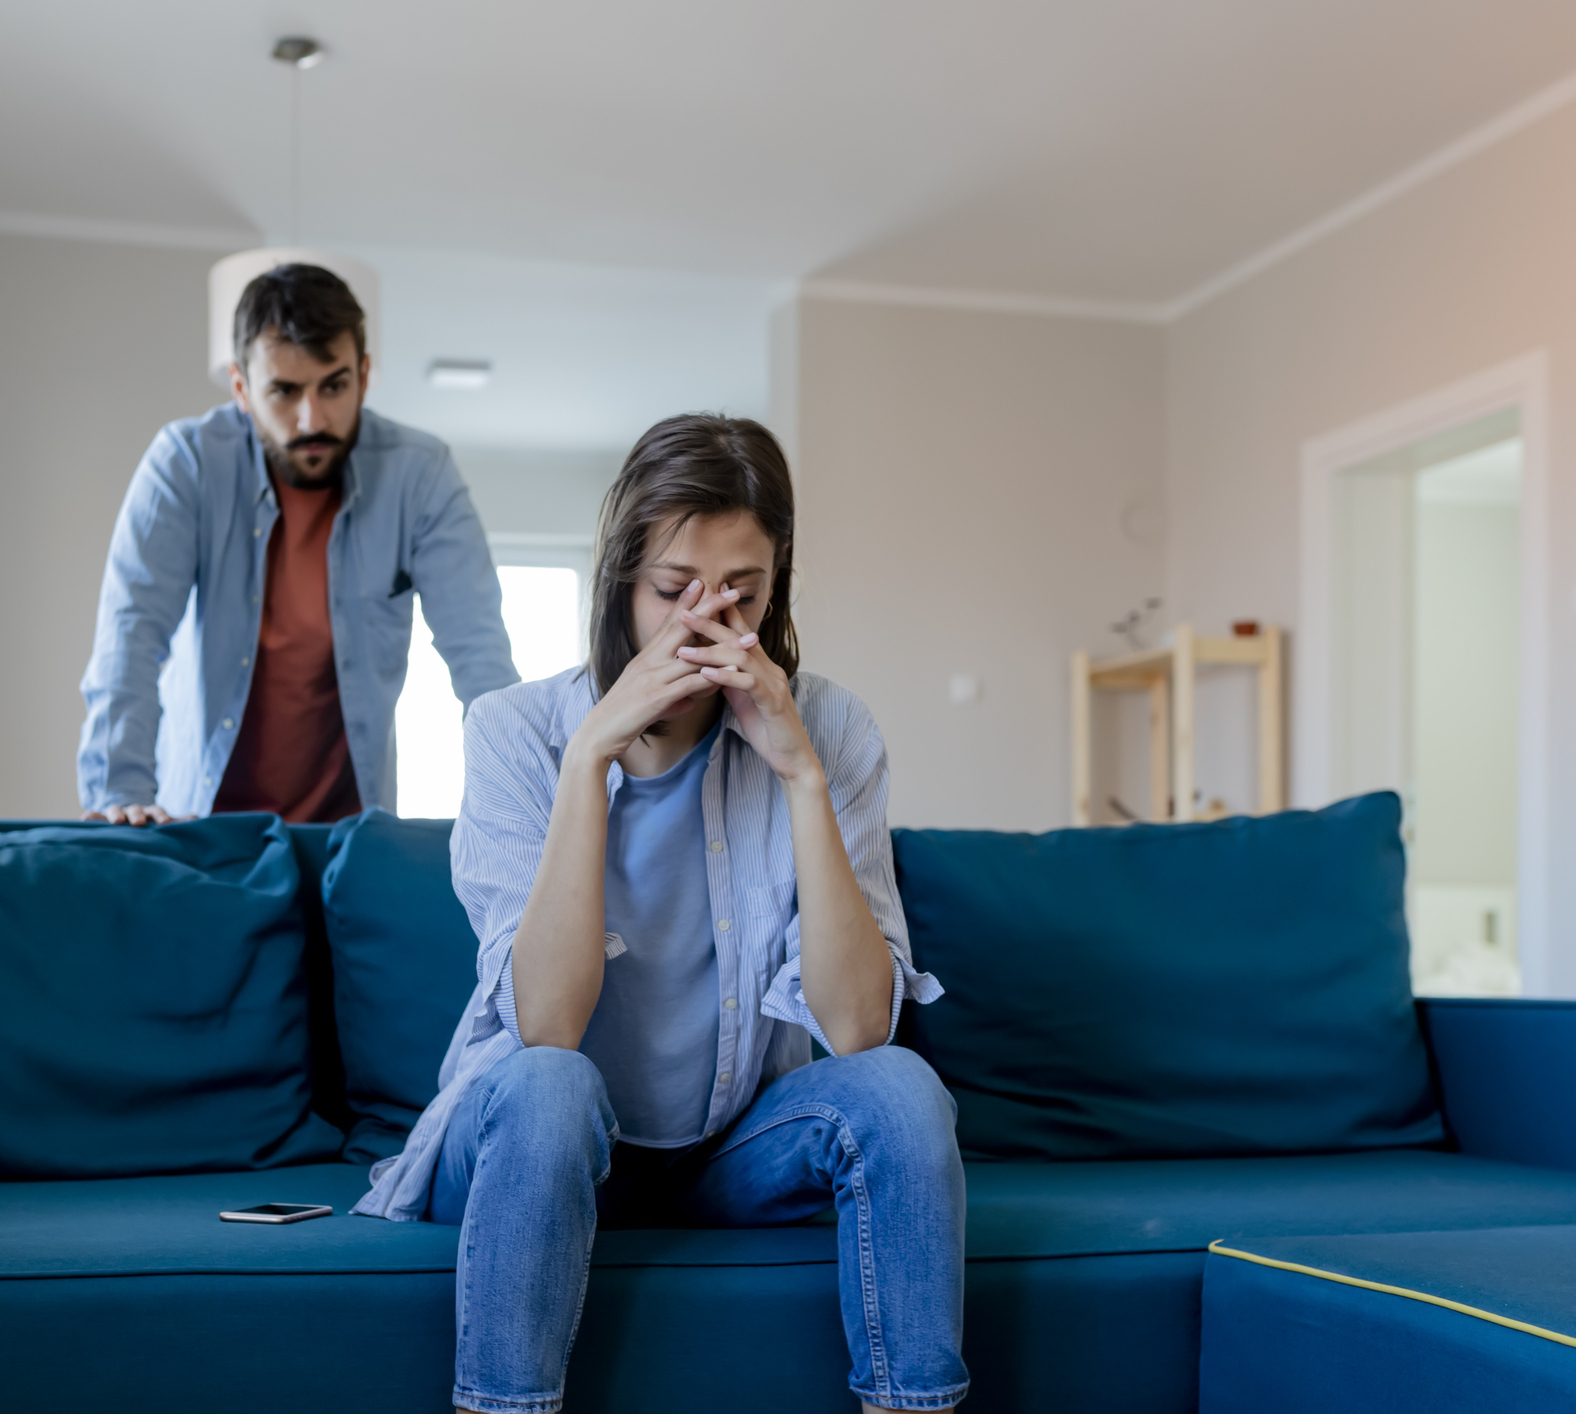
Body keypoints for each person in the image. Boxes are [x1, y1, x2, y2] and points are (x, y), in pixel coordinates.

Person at [353, 414, 966, 1414]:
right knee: (550, 1085)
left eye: (744, 595)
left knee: (899, 1088)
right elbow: (544, 1024)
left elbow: (858, 1029)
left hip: (727, 1147)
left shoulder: (834, 727)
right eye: (675, 591)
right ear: (620, 582)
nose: (706, 626)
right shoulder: (515, 733)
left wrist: (801, 773)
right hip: (541, 1142)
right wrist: (590, 758)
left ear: (779, 589)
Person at [77, 263, 517, 825]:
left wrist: (518, 809)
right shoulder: (185, 463)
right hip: (201, 829)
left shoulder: (420, 474)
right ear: (241, 388)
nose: (313, 418)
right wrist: (120, 792)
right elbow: (130, 637)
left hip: (348, 836)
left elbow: (480, 656)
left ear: (363, 373)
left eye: (333, 386)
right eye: (284, 391)